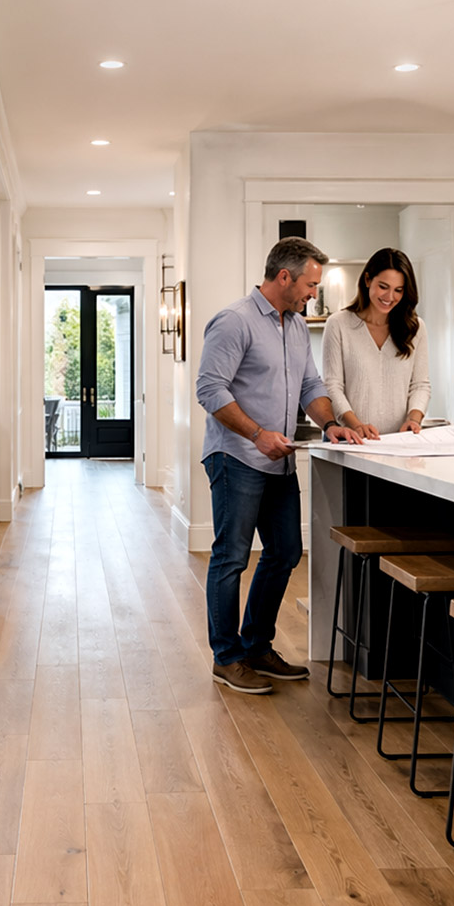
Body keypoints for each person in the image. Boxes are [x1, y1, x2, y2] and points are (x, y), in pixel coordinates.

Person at [195, 237, 361, 695]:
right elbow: (210, 390)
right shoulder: (235, 321)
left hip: (279, 463)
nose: (314, 293)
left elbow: (310, 384)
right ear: (284, 277)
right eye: (310, 283)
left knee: (287, 551)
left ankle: (256, 647)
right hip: (237, 458)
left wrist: (330, 424)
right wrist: (257, 434)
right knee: (231, 557)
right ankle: (226, 658)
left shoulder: (294, 324)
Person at [322, 247, 431, 439]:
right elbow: (332, 386)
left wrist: (414, 419)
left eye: (398, 290)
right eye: (383, 286)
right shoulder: (338, 324)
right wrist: (356, 426)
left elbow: (420, 385)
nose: (389, 297)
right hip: (350, 441)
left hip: (397, 443)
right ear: (367, 280)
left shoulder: (416, 328)